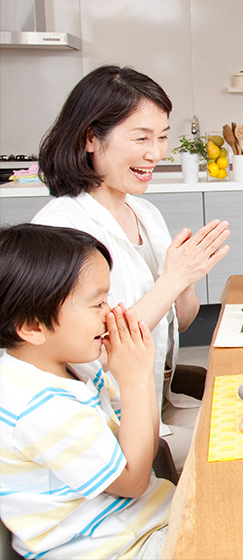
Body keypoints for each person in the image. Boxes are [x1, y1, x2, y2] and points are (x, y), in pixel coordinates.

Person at [33, 65, 230, 470]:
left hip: (161, 402)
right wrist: (172, 278)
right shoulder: (62, 229)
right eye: (140, 138)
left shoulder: (145, 213)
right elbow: (94, 353)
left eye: (162, 137)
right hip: (111, 424)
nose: (155, 153)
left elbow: (182, 322)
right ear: (90, 138)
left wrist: (185, 281)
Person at [0, 224, 174, 560]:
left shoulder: (77, 366)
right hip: (117, 548)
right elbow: (133, 482)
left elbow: (138, 442)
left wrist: (135, 377)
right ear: (33, 327)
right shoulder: (40, 407)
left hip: (142, 522)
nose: (110, 312)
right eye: (97, 304)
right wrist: (136, 379)